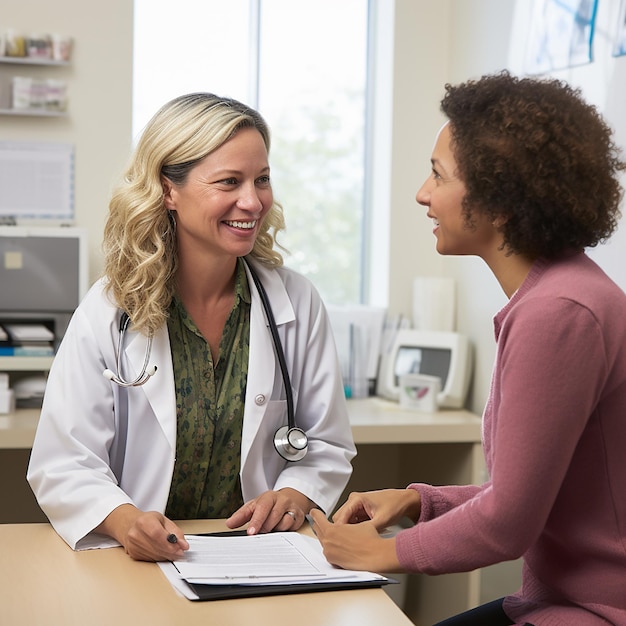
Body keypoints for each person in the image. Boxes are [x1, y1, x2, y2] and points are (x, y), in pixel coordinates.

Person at [310, 71, 626, 625]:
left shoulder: (559, 312)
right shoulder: (557, 294)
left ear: (500, 200)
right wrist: (417, 501)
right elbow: (524, 492)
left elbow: (508, 523)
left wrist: (380, 553)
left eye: (438, 174)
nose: (422, 193)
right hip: (559, 599)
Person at [27, 93, 356, 562]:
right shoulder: (110, 308)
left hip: (261, 558)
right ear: (168, 191)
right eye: (229, 181)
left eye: (261, 179)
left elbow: (326, 442)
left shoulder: (296, 302)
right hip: (142, 564)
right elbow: (63, 461)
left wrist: (297, 494)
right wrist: (124, 520)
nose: (253, 201)